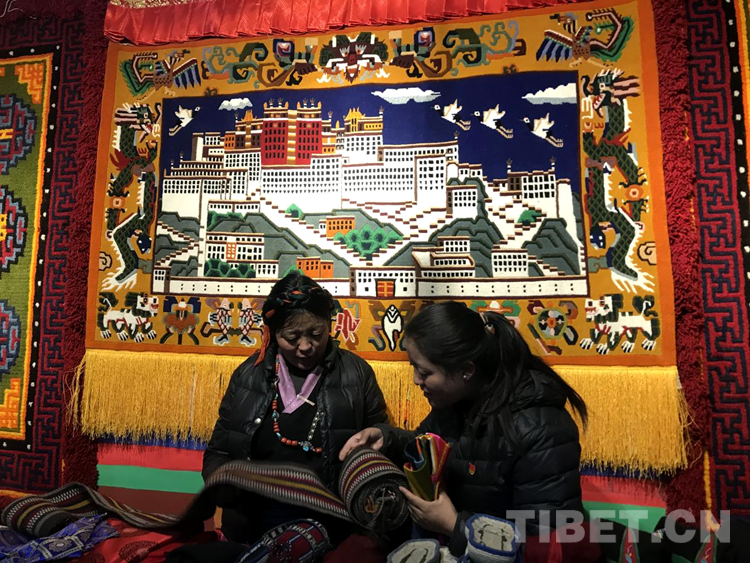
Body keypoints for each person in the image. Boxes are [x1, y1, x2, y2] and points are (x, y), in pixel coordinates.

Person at [339, 301, 587, 556]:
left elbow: (548, 548)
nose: (415, 381)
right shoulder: (458, 403)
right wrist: (386, 437)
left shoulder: (540, 431)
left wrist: (453, 525)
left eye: (424, 372)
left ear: (466, 371)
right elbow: (429, 445)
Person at [203, 272, 388, 543]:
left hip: (332, 526)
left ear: (329, 324)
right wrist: (222, 485)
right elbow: (219, 451)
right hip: (252, 525)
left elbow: (380, 441)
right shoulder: (247, 376)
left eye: (316, 334)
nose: (305, 347)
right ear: (272, 333)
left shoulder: (356, 374)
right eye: (291, 337)